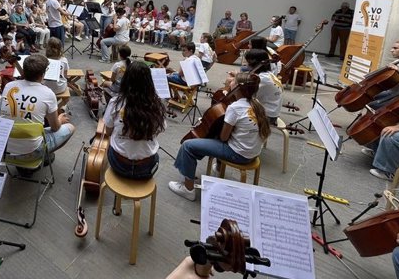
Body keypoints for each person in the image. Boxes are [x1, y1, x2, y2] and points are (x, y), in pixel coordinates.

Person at [169, 73, 269, 201]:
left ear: (237, 87)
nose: (230, 82)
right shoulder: (257, 104)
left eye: (233, 81)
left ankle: (188, 189)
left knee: (188, 146)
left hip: (238, 154)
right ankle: (217, 169)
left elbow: (223, 138)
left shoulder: (235, 107)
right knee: (211, 137)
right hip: (253, 153)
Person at [0, 54, 75, 158]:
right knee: (70, 127)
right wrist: (60, 119)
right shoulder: (48, 93)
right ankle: (44, 156)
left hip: (5, 148)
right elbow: (55, 128)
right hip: (32, 151)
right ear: (43, 74)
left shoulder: (9, 86)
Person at [103, 61, 166, 179]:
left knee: (110, 144)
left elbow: (108, 132)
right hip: (146, 167)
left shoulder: (116, 103)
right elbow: (158, 131)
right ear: (149, 82)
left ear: (126, 81)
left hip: (119, 164)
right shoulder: (157, 105)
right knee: (155, 154)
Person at [243, 49, 282, 125]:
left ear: (253, 62)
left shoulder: (261, 79)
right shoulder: (268, 74)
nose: (246, 65)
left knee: (234, 110)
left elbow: (247, 96)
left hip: (267, 116)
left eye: (247, 62)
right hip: (273, 113)